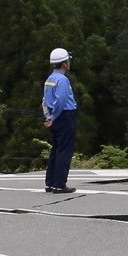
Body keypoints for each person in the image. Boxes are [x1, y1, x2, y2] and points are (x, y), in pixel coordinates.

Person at [40, 46, 79, 193]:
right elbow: (61, 101)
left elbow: (45, 100)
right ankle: (59, 184)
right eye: (68, 60)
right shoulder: (62, 80)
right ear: (63, 63)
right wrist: (54, 116)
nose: (69, 62)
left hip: (54, 116)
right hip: (64, 116)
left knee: (56, 149)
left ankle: (50, 183)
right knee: (64, 150)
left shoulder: (50, 79)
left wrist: (48, 117)